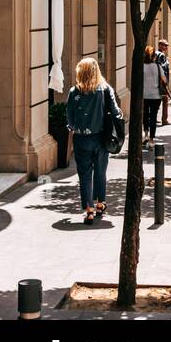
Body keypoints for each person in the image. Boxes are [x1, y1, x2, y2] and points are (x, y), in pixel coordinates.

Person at [66, 57, 123, 225]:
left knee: (84, 175)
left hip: (81, 139)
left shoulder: (73, 91)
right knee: (100, 171)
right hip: (101, 138)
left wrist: (77, 126)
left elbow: (69, 119)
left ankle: (89, 210)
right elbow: (116, 111)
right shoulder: (105, 89)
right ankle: (100, 204)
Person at [143, 44, 169, 146]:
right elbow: (164, 80)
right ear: (154, 56)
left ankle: (145, 134)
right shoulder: (158, 67)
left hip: (145, 96)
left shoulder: (141, 67)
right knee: (153, 117)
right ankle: (152, 139)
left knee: (145, 115)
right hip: (156, 96)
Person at [155, 38, 170, 126]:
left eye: (167, 46)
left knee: (157, 100)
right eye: (165, 45)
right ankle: (164, 119)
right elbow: (162, 69)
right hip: (161, 82)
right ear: (160, 45)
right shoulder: (161, 55)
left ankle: (153, 117)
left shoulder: (156, 54)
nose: (166, 47)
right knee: (165, 99)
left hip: (156, 82)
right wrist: (165, 82)